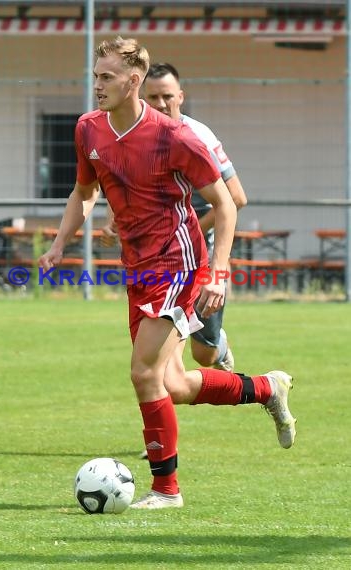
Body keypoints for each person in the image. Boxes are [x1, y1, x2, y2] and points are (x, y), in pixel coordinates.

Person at [39, 36, 296, 510]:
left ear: (133, 81)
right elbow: (83, 191)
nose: (97, 86)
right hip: (137, 268)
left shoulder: (174, 138)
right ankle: (266, 387)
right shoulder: (88, 130)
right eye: (96, 76)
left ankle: (166, 490)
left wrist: (218, 273)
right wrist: (59, 243)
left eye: (107, 77)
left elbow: (225, 204)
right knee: (172, 385)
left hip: (179, 263)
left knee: (142, 373)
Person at [103, 62, 247, 373]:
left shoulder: (197, 136)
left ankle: (218, 344)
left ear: (180, 96)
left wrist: (190, 226)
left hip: (203, 251)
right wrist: (111, 216)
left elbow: (236, 198)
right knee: (165, 369)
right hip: (161, 259)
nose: (160, 104)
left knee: (204, 355)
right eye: (152, 97)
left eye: (167, 96)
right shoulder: (135, 133)